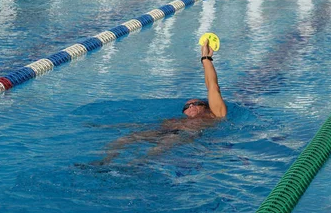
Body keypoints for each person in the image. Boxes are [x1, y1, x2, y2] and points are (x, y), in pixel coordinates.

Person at [81, 36, 227, 167]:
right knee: (127, 138)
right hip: (164, 130)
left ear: (206, 106)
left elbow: (213, 87)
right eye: (186, 106)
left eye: (194, 104)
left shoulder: (215, 114)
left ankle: (132, 166)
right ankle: (102, 162)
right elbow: (145, 126)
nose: (190, 107)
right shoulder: (177, 119)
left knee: (162, 145)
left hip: (184, 135)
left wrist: (205, 58)